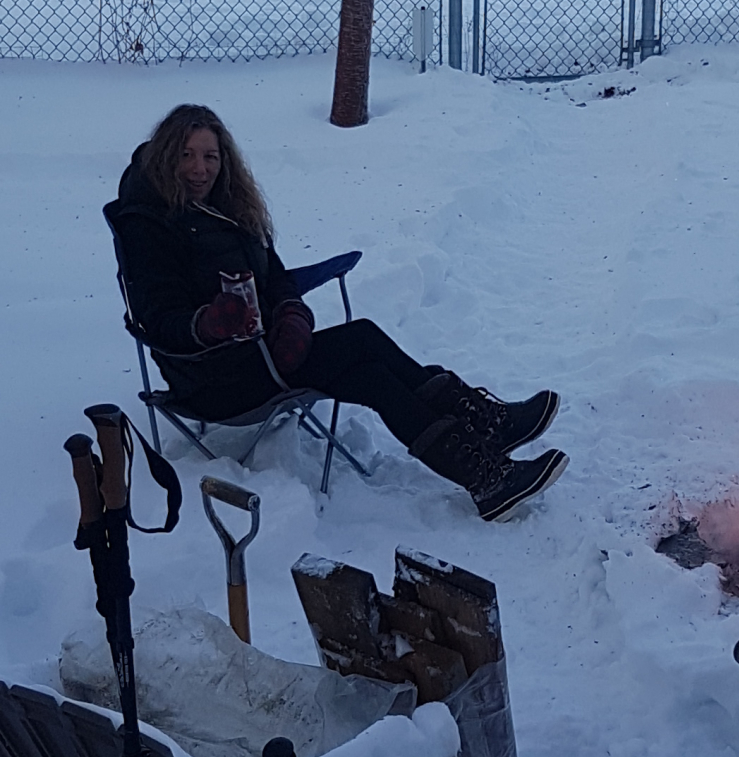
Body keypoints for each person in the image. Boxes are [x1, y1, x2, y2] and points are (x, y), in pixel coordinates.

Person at [107, 104, 567, 522]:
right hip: (213, 378)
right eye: (187, 155)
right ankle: (488, 438)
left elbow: (277, 275)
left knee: (372, 373)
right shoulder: (151, 226)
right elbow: (157, 318)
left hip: (259, 354)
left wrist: (292, 315)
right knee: (362, 340)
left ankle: (488, 474)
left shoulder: (226, 208)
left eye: (210, 156)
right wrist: (211, 323)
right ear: (167, 157)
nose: (199, 168)